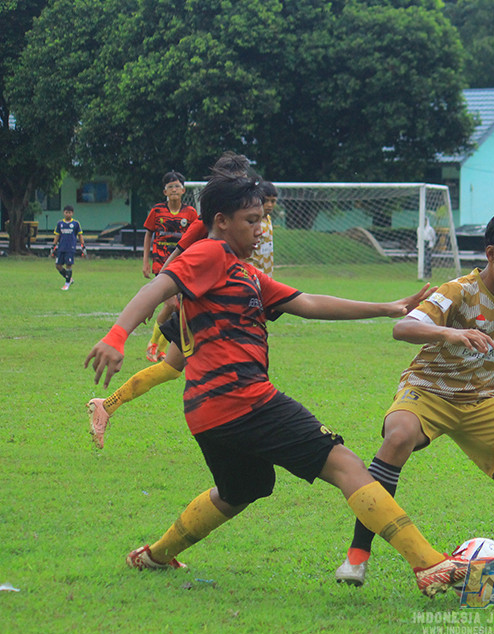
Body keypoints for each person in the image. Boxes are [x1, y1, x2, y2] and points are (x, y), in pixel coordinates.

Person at [83, 161, 468, 597]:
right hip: (243, 399)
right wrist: (116, 336)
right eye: (251, 221)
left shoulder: (242, 271)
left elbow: (308, 302)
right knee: (345, 465)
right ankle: (429, 564)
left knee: (240, 490)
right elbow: (158, 287)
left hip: (208, 411)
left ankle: (154, 555)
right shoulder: (209, 253)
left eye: (262, 220)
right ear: (221, 222)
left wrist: (386, 307)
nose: (261, 230)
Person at [333, 209, 494, 596]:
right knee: (398, 437)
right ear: (491, 254)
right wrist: (448, 334)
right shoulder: (458, 291)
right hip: (429, 390)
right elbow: (403, 327)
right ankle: (357, 555)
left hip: (481, 400)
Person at [87, 155, 256, 448]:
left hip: (217, 307)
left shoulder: (240, 219)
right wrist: (154, 296)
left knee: (171, 368)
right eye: (240, 181)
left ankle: (106, 406)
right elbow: (174, 259)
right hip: (203, 308)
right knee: (227, 367)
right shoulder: (209, 223)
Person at [142, 171, 200, 362]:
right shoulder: (157, 211)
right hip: (161, 263)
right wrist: (145, 262)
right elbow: (148, 235)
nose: (174, 190)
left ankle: (161, 348)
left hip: (183, 264)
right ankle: (153, 344)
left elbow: (197, 236)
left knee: (177, 308)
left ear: (183, 190)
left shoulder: (190, 213)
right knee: (171, 304)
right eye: (170, 187)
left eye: (177, 186)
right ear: (164, 192)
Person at [51, 205, 85, 290]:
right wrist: (53, 245)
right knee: (58, 265)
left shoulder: (76, 224)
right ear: (63, 213)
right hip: (61, 247)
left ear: (72, 213)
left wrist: (82, 245)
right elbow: (57, 235)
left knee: (68, 265)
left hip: (70, 247)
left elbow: (80, 235)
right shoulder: (60, 223)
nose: (68, 214)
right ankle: (69, 278)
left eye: (69, 213)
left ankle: (66, 284)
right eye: (66, 212)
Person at [248, 180, 277, 275]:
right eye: (266, 200)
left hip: (267, 271)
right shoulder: (252, 221)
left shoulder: (268, 218)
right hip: (253, 271)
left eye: (273, 201)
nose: (269, 205)